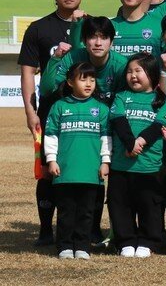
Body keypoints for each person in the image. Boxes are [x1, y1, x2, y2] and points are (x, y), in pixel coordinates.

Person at [21, 0, 84, 247]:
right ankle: (46, 229)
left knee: (85, 167)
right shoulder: (39, 28)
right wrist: (30, 111)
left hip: (84, 109)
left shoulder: (92, 26)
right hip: (49, 110)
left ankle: (88, 230)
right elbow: (27, 72)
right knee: (48, 169)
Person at [43, 62, 110, 260]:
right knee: (66, 211)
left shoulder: (101, 109)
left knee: (86, 212)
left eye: (92, 79)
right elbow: (51, 135)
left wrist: (105, 161)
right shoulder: (59, 106)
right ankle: (64, 246)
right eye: (83, 79)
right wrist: (51, 160)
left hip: (91, 172)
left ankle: (82, 246)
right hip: (66, 171)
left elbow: (106, 138)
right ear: (70, 82)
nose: (89, 84)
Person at [107, 54, 166, 259]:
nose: (133, 76)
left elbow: (159, 125)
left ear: (151, 74)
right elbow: (118, 120)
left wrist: (139, 142)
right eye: (129, 72)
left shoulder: (161, 101)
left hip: (148, 166)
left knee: (149, 206)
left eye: (138, 71)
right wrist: (129, 143)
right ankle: (125, 241)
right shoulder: (121, 97)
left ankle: (148, 241)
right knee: (120, 205)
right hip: (121, 165)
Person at [44, 16, 129, 104]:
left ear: (111, 42)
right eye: (92, 37)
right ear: (84, 41)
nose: (98, 43)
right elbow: (46, 91)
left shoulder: (121, 65)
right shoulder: (72, 58)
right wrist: (55, 58)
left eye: (104, 38)